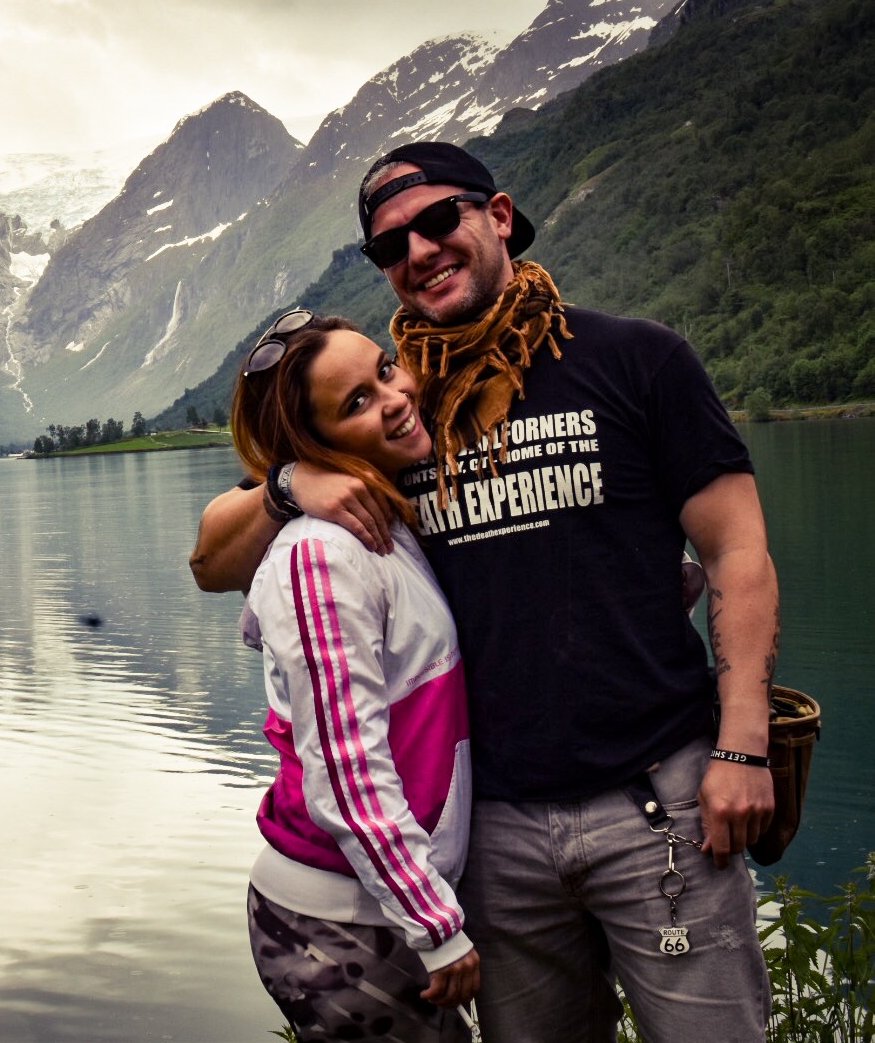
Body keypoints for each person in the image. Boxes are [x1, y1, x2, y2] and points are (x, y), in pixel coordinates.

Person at [191, 142, 777, 1041]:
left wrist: (742, 747)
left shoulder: (636, 360)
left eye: (439, 220)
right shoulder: (401, 412)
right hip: (493, 837)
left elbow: (737, 552)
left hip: (659, 802)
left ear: (498, 216)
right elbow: (211, 562)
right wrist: (288, 484)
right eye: (391, 246)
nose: (419, 251)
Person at [231, 310, 478, 1042]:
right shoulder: (321, 554)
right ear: (316, 443)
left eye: (386, 369)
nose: (395, 397)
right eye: (358, 402)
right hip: (340, 920)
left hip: (375, 905)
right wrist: (434, 923)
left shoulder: (381, 523)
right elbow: (345, 769)